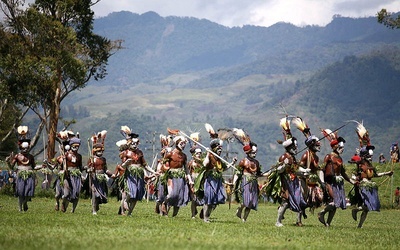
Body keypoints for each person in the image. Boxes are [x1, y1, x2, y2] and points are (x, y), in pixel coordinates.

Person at [351, 123, 393, 228]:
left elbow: (376, 175)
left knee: (367, 208)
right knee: (367, 205)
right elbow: (354, 173)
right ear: (365, 155)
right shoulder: (361, 164)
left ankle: (359, 225)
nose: (372, 155)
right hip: (364, 185)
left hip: (370, 185)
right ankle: (356, 210)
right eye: (369, 154)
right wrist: (355, 179)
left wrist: (387, 173)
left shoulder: (370, 165)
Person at [317, 129, 356, 227]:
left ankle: (328, 223)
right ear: (335, 146)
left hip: (338, 183)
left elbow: (343, 173)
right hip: (330, 182)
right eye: (341, 147)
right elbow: (321, 169)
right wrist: (322, 181)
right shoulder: (328, 157)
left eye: (343, 148)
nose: (342, 149)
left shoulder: (340, 159)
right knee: (334, 202)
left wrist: (352, 182)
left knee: (336, 205)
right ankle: (322, 213)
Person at [196, 137, 237, 222]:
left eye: (221, 149)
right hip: (210, 180)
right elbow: (204, 164)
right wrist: (207, 154)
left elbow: (224, 168)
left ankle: (205, 213)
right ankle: (206, 218)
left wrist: (233, 162)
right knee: (209, 199)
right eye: (218, 149)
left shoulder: (219, 159)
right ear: (214, 148)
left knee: (217, 200)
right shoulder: (210, 156)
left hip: (218, 181)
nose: (220, 150)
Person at [118, 126, 157, 216]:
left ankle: (130, 213)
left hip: (138, 175)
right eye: (133, 144)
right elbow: (122, 166)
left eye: (136, 144)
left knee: (136, 194)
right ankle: (123, 210)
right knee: (130, 192)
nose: (135, 145)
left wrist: (153, 172)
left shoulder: (140, 153)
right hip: (129, 175)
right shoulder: (126, 153)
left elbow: (145, 165)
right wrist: (126, 163)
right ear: (129, 143)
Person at [6, 126, 38, 212]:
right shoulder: (17, 156)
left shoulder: (31, 157)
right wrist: (8, 162)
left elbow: (34, 167)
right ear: (20, 148)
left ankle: (25, 203)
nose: (25, 150)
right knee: (20, 192)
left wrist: (42, 167)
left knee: (29, 192)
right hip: (20, 175)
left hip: (30, 175)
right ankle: (20, 209)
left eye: (27, 148)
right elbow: (12, 166)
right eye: (23, 148)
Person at [159, 135, 191, 217]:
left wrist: (190, 179)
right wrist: (167, 170)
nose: (183, 145)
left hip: (180, 176)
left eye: (184, 144)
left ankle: (174, 216)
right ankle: (164, 203)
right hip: (171, 176)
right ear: (177, 143)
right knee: (172, 194)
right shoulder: (170, 154)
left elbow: (186, 168)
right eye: (182, 143)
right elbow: (164, 164)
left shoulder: (184, 156)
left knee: (180, 196)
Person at [234, 141, 264, 222]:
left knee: (251, 201)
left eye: (255, 153)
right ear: (248, 153)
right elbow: (237, 173)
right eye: (253, 153)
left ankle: (244, 219)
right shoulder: (243, 161)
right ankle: (239, 209)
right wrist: (234, 183)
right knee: (246, 200)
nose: (254, 154)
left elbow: (259, 174)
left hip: (253, 182)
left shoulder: (256, 163)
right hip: (245, 181)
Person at [54, 134, 83, 213]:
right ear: (71, 145)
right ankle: (58, 202)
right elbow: (60, 163)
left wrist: (86, 169)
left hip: (76, 176)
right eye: (74, 146)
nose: (76, 147)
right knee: (65, 194)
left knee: (76, 193)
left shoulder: (79, 156)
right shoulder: (66, 155)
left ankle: (72, 210)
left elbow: (80, 167)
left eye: (77, 146)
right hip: (67, 175)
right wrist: (62, 160)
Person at [86, 131, 112, 215]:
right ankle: (93, 210)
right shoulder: (92, 159)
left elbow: (105, 170)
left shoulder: (103, 159)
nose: (100, 153)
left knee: (100, 195)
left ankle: (96, 206)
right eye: (99, 151)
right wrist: (89, 169)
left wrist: (112, 175)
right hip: (94, 178)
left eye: (101, 151)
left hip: (101, 179)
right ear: (95, 151)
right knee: (95, 194)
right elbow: (87, 168)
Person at [187, 146, 205, 219]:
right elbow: (187, 172)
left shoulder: (203, 163)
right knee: (194, 198)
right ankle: (193, 215)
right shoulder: (191, 163)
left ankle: (203, 212)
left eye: (200, 153)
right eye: (197, 153)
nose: (199, 154)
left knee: (203, 198)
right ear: (194, 154)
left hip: (202, 181)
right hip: (193, 181)